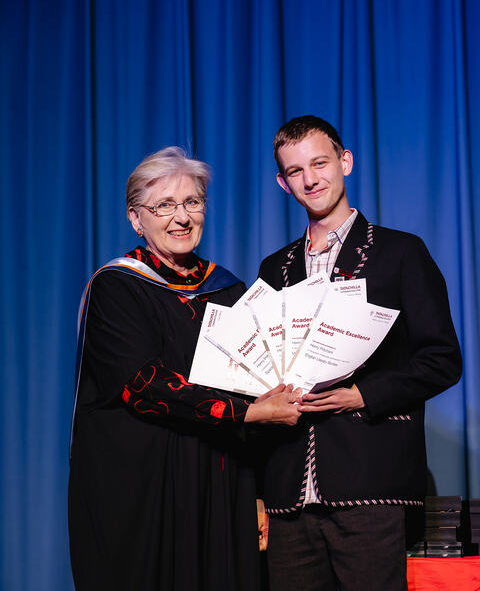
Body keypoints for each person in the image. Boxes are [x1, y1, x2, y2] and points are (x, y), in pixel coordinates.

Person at [68, 147, 301, 591]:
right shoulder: (116, 287)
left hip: (221, 485)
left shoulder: (229, 290)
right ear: (136, 219)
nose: (181, 217)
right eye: (164, 206)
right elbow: (144, 385)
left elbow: (251, 384)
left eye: (192, 202)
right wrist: (251, 413)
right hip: (142, 490)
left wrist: (259, 494)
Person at [257, 116, 462, 591]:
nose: (310, 179)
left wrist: (363, 395)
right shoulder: (274, 269)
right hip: (288, 496)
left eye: (319, 163)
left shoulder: (401, 253)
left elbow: (442, 360)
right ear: (283, 183)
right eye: (295, 171)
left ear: (345, 162)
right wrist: (258, 492)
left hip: (370, 487)